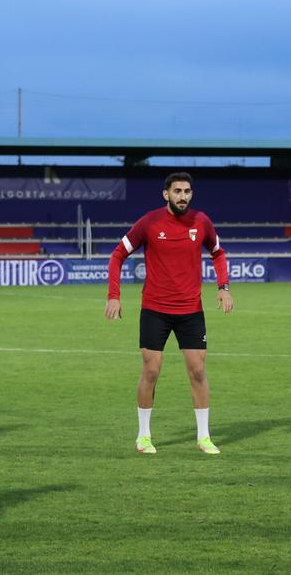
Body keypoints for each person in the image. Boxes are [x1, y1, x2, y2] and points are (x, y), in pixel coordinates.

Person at [105, 172, 232, 455]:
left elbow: (218, 253)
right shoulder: (149, 222)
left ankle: (203, 437)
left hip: (191, 310)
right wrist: (114, 296)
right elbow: (117, 255)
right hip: (155, 310)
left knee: (198, 370)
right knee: (151, 370)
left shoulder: (202, 221)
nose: (182, 196)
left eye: (187, 191)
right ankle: (143, 436)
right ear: (166, 194)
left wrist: (223, 287)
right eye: (177, 191)